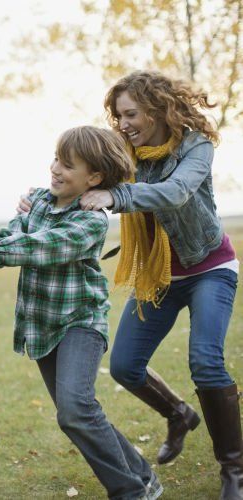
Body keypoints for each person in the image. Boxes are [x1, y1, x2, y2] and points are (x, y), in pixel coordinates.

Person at [0, 126, 163, 499]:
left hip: (80, 322)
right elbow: (14, 236)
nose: (56, 169)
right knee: (80, 415)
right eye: (57, 159)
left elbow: (43, 246)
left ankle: (129, 491)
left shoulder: (90, 221)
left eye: (68, 165)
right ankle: (142, 476)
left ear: (94, 177)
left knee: (75, 410)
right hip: (42, 325)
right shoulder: (39, 202)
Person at [78, 71, 239, 500]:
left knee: (206, 361)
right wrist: (43, 196)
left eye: (130, 113)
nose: (123, 123)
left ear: (156, 108)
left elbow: (177, 191)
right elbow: (85, 173)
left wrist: (119, 198)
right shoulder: (125, 150)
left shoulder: (195, 145)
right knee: (126, 365)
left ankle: (234, 470)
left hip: (210, 268)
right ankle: (179, 414)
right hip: (160, 273)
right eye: (118, 116)